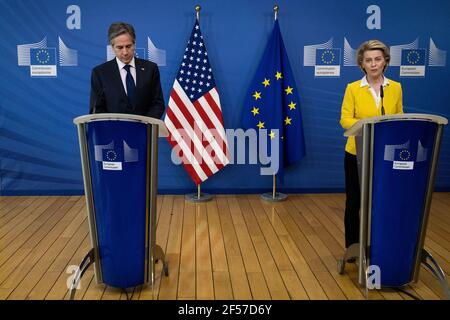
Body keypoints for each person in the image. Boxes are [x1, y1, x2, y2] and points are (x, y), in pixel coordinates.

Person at [340, 40, 403, 249]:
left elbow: (400, 117)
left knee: (383, 201)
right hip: (356, 153)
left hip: (385, 154)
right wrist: (369, 126)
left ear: (385, 61)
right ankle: (353, 248)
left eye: (377, 59)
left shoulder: (395, 88)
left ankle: (380, 245)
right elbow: (345, 119)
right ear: (362, 64)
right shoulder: (353, 88)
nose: (373, 64)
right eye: (369, 60)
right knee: (354, 202)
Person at [90, 22, 165, 118]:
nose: (125, 52)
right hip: (114, 131)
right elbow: (97, 109)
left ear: (134, 44)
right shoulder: (100, 73)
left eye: (128, 46)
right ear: (112, 47)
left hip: (144, 130)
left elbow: (157, 104)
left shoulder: (150, 69)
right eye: (120, 47)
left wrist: (145, 125)